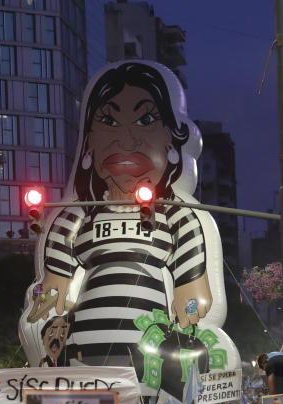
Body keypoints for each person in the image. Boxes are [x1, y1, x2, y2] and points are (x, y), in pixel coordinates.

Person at [24, 60, 223, 378]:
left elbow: (196, 297)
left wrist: (185, 332)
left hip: (153, 357)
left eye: (146, 119)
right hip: (81, 356)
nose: (127, 140)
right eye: (108, 121)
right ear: (89, 138)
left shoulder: (180, 214)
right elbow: (50, 296)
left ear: (170, 137)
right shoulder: (73, 215)